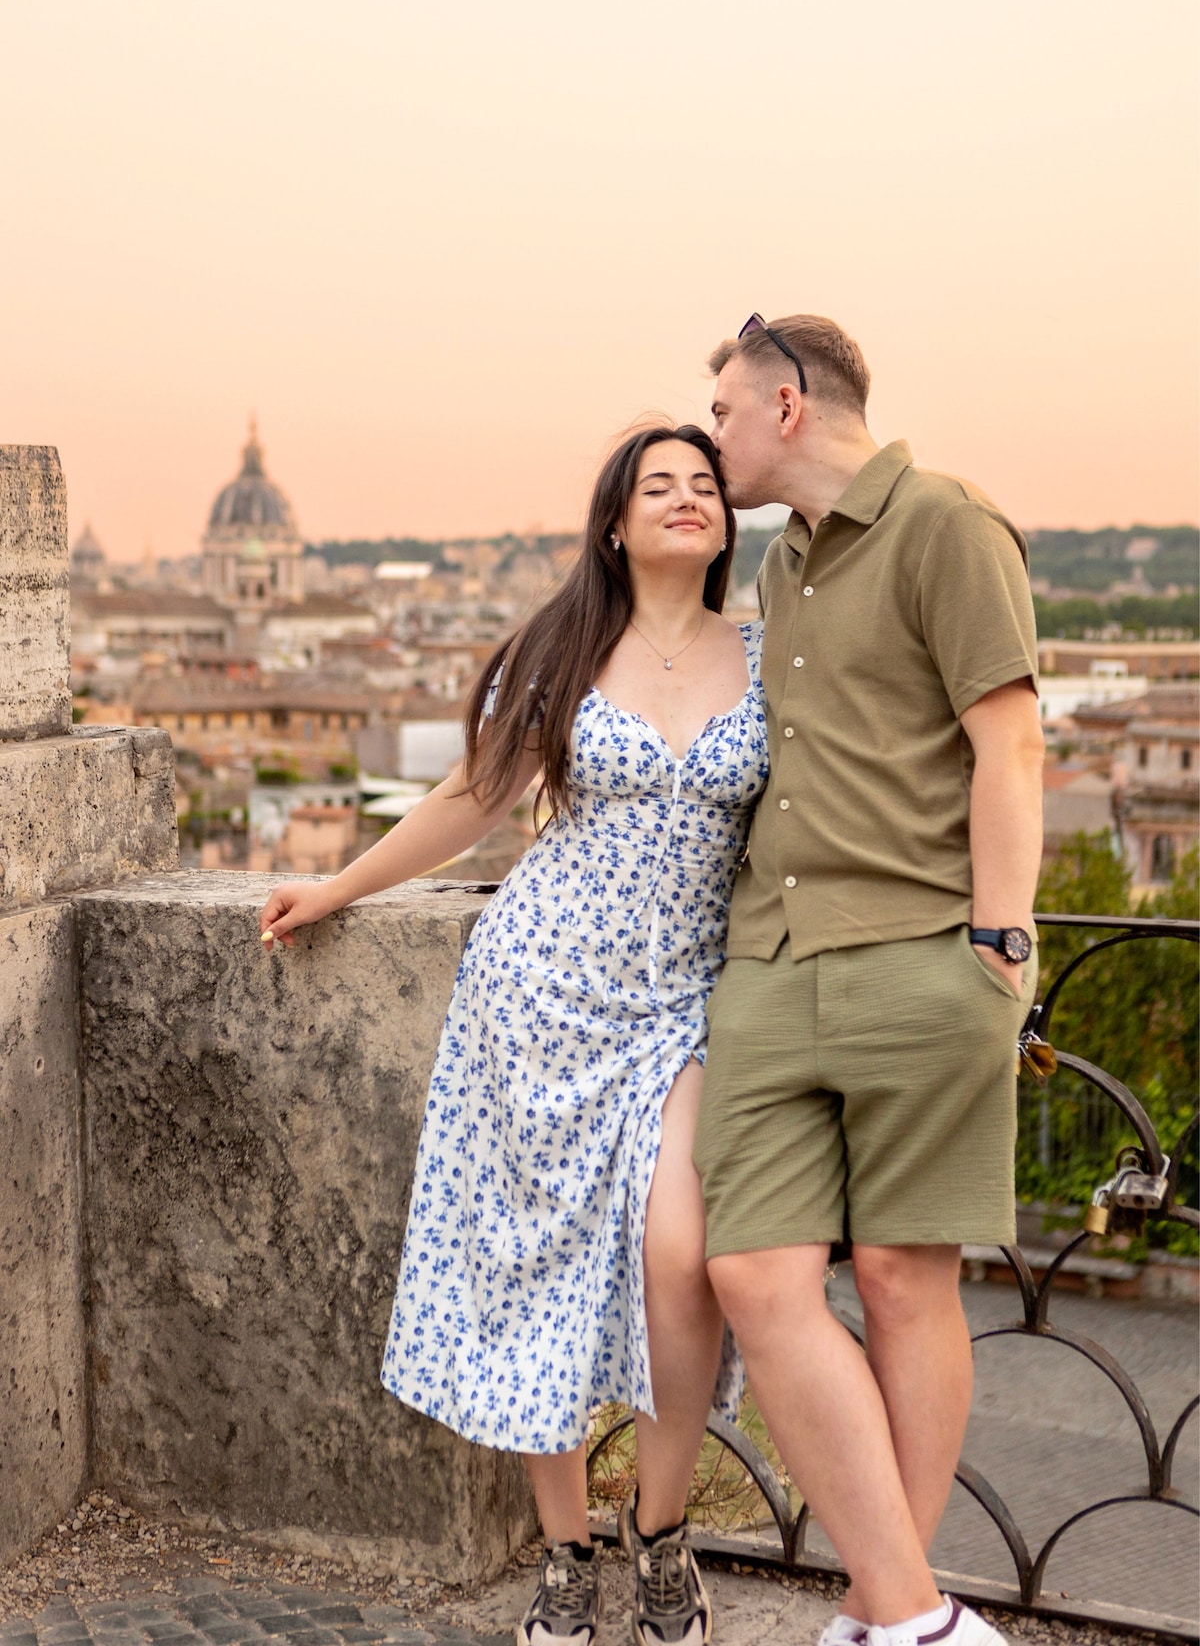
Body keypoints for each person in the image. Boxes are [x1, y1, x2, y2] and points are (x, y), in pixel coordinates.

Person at [259, 423, 769, 1646]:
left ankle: (659, 1534)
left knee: (682, 1254)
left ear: (725, 522)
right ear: (615, 525)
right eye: (659, 485)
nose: (687, 498)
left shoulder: (767, 653)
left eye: (705, 484)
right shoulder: (564, 648)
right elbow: (472, 798)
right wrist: (337, 889)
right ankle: (565, 1551)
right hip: (540, 990)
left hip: (685, 1002)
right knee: (535, 1265)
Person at [693, 314, 1044, 1646]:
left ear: (787, 404)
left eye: (723, 409)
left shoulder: (948, 524)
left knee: (903, 1280)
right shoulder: (781, 561)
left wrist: (1000, 947)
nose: (713, 434)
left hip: (918, 952)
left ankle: (877, 1613)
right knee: (752, 1277)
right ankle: (916, 1618)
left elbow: (1010, 744)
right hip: (769, 967)